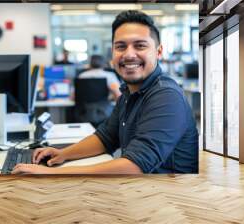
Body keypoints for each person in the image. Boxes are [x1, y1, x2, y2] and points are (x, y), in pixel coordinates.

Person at [12, 10, 198, 174]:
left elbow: (136, 166)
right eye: (121, 46)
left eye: (140, 45)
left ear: (158, 52)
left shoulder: (166, 96)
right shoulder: (128, 92)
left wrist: (53, 174)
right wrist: (63, 154)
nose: (129, 54)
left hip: (168, 197)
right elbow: (106, 138)